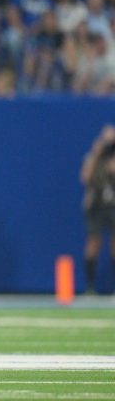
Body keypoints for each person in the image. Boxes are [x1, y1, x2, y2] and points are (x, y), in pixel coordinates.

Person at [80, 124, 115, 294]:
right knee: (94, 242)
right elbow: (85, 178)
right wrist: (97, 152)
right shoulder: (93, 157)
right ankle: (90, 287)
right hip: (96, 204)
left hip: (113, 204)